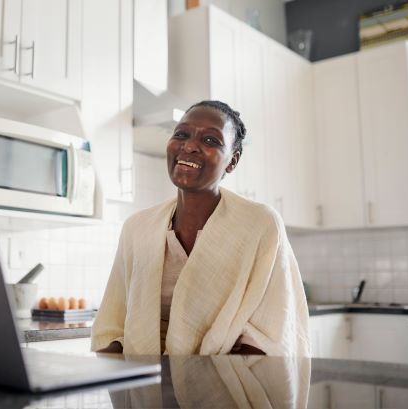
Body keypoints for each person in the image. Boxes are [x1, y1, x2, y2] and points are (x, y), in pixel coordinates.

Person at [91, 100, 310, 356]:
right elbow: (113, 325)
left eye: (211, 141)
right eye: (181, 134)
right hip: (145, 385)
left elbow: (272, 331)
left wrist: (201, 382)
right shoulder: (137, 228)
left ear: (232, 161)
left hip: (230, 385)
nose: (190, 146)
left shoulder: (260, 224)